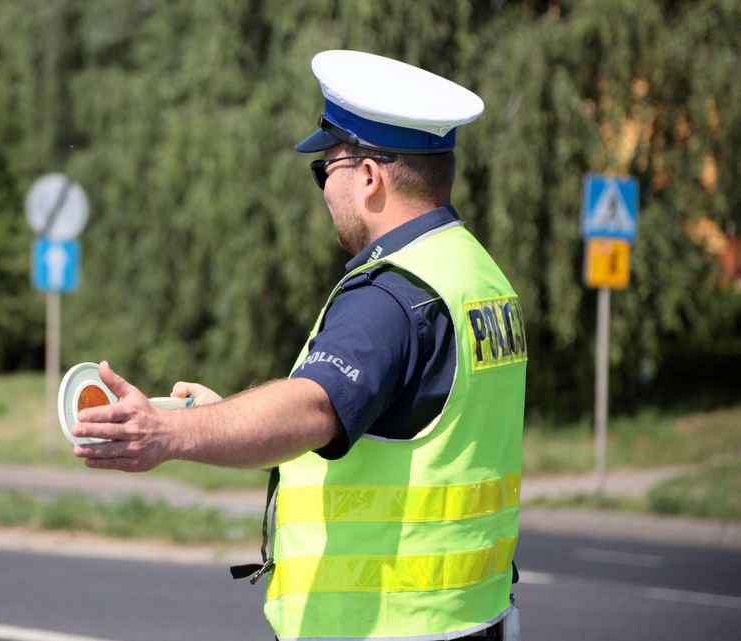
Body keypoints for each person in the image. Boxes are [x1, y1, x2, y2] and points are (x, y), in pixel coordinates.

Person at [71, 50, 526, 641]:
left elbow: (314, 407)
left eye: (325, 169)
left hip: (379, 628)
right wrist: (219, 417)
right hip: (468, 619)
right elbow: (393, 428)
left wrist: (169, 433)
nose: (324, 191)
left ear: (368, 176)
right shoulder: (478, 276)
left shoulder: (389, 296)